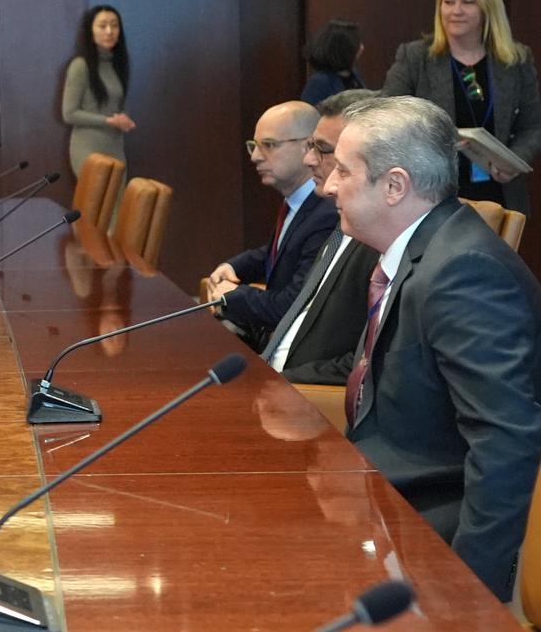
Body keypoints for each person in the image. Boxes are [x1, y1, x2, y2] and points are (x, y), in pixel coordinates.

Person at [325, 95, 541, 601]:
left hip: (427, 537)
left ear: (395, 185)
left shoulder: (463, 272)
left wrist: (462, 595)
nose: (329, 186)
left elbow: (505, 441)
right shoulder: (422, 250)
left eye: (342, 171)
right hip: (379, 508)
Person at [381, 0, 541, 213]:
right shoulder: (415, 57)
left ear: (487, 9)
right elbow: (388, 116)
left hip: (498, 193)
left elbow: (533, 126)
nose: (456, 11)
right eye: (448, 2)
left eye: (468, 2)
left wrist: (513, 160)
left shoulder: (515, 60)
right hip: (431, 192)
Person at [262, 89, 380, 384]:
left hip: (306, 399)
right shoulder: (343, 221)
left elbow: (366, 361)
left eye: (323, 149)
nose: (309, 160)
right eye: (310, 146)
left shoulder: (380, 238)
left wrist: (279, 382)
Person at [206, 101, 336, 346]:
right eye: (254, 146)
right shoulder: (298, 202)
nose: (255, 157)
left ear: (308, 146)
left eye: (269, 145)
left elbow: (291, 305)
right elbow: (282, 253)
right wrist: (237, 266)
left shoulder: (327, 213)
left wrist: (234, 296)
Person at [61, 5, 135, 178]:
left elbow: (121, 106)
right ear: (90, 32)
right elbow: (69, 114)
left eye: (114, 25)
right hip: (88, 149)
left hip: (115, 147)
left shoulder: (118, 65)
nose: (109, 31)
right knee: (96, 204)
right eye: (102, 26)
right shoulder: (80, 66)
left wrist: (124, 119)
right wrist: (109, 121)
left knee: (119, 203)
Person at [300, 19, 365, 104]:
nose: (362, 47)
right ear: (345, 49)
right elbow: (311, 113)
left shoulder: (355, 74)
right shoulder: (319, 82)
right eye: (357, 43)